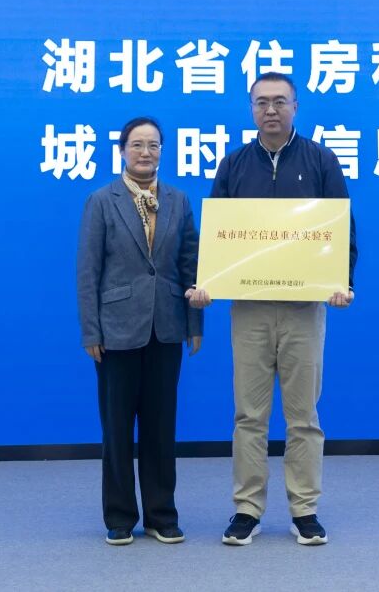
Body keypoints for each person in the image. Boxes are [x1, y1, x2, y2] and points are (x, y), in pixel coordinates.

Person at [198, 72, 357, 546]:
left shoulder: (320, 160)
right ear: (251, 109)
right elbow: (218, 237)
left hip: (304, 308)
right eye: (262, 102)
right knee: (249, 416)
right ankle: (246, 509)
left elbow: (342, 228)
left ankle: (304, 509)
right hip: (249, 308)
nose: (271, 110)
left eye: (280, 101)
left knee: (303, 416)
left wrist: (341, 281)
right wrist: (209, 282)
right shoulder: (234, 164)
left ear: (295, 107)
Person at [77, 117, 210, 545]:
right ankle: (119, 516)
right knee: (117, 429)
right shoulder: (101, 201)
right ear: (122, 150)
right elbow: (88, 271)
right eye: (137, 144)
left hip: (166, 328)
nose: (145, 152)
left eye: (153, 145)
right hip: (115, 331)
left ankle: (161, 515)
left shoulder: (178, 200)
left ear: (162, 151)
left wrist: (194, 324)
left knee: (160, 428)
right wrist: (90, 331)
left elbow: (190, 266)